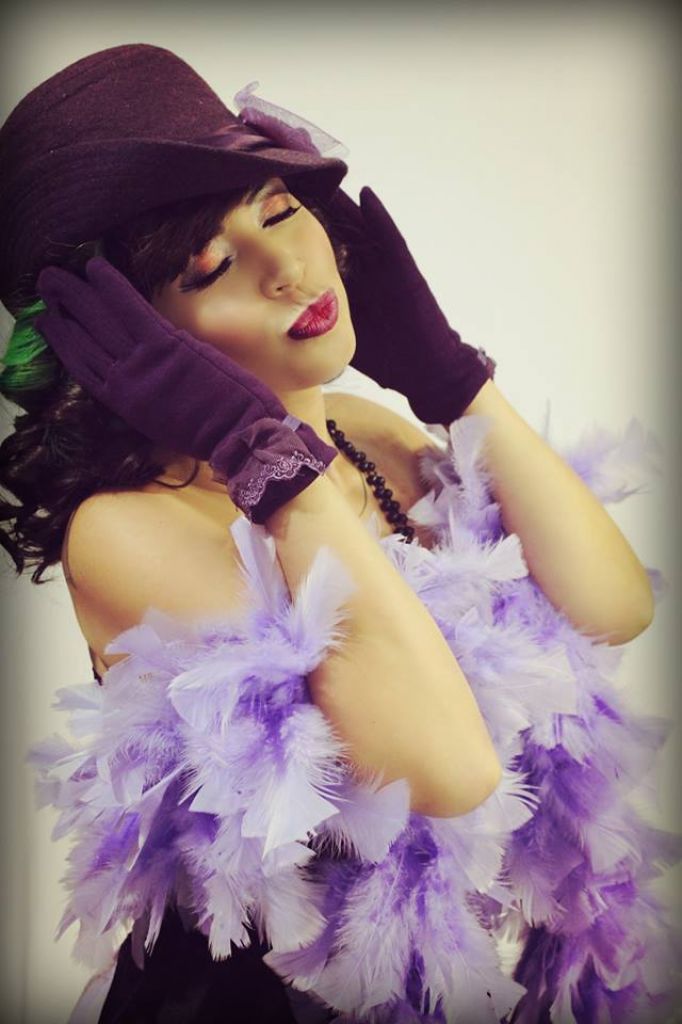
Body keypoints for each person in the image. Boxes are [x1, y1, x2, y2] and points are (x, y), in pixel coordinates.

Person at [1, 43, 679, 1024]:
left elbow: (612, 606)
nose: (288, 268)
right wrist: (263, 456)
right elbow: (447, 770)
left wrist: (454, 383)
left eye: (280, 210)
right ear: (128, 337)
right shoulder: (128, 531)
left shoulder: (368, 434)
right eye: (211, 266)